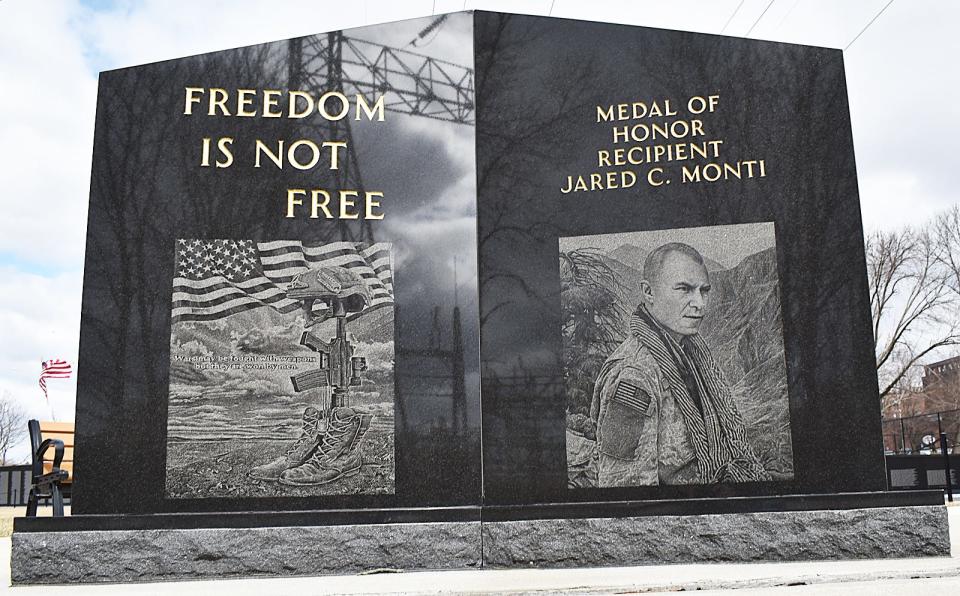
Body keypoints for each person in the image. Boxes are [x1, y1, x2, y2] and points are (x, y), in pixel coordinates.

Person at [590, 242, 770, 486]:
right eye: (684, 289)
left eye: (704, 291)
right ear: (648, 292)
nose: (700, 303)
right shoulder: (633, 377)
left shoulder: (690, 352)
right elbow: (626, 490)